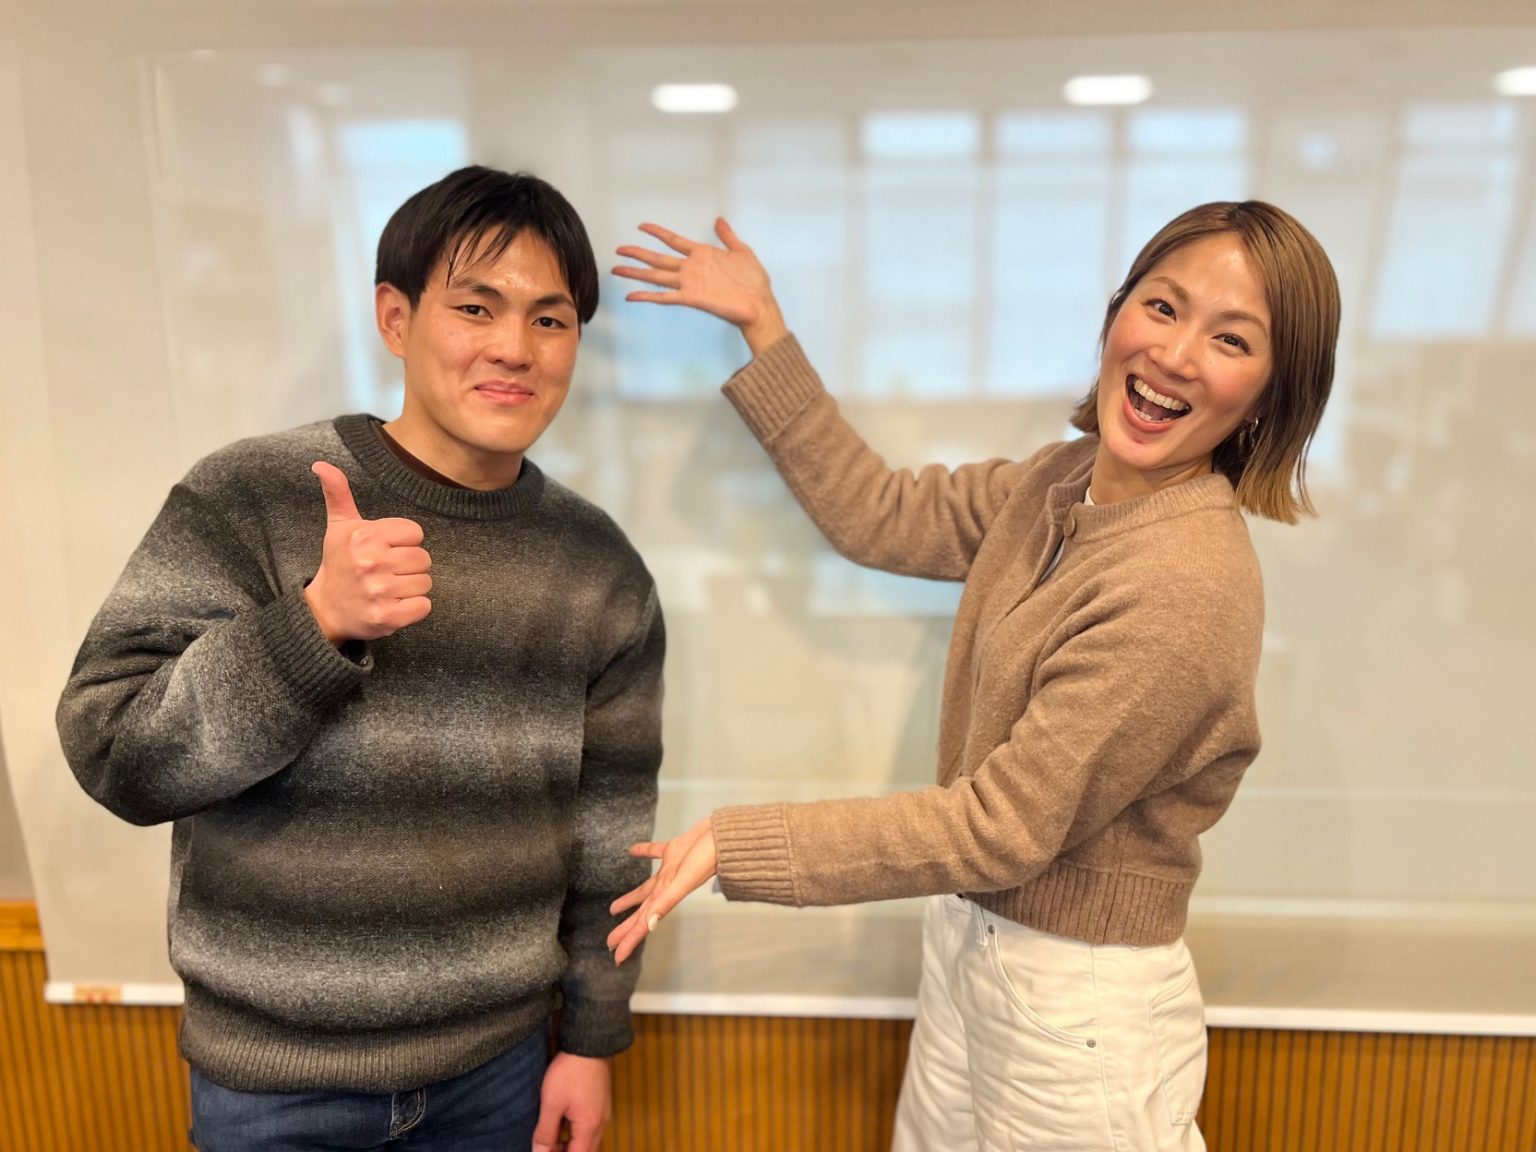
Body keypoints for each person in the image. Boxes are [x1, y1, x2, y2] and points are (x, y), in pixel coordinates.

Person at [607, 202, 1338, 1151]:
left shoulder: (1184, 583)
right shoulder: (1059, 482)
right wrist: (764, 326)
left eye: (1231, 339)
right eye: (1163, 307)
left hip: (1077, 1004)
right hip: (973, 947)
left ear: (1272, 396)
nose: (1176, 354)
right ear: (1118, 312)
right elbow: (879, 514)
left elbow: (1002, 827)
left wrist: (739, 844)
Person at [55, 166, 665, 1152]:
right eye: (476, 307)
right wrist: (314, 625)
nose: (515, 348)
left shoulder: (600, 569)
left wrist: (592, 1040)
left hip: (498, 1070)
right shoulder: (253, 495)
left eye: (550, 320)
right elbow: (114, 751)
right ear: (396, 318)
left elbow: (612, 833)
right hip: (272, 1081)